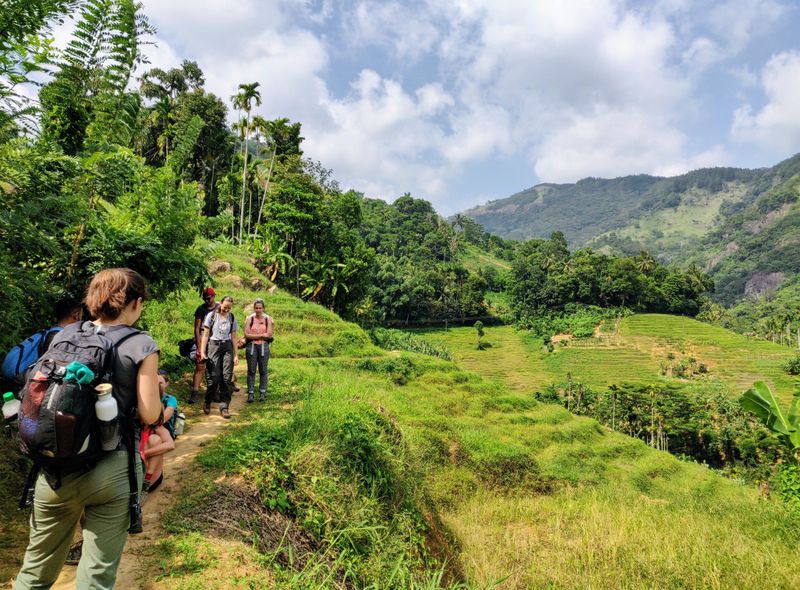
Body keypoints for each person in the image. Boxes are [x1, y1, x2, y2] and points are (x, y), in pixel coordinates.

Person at [14, 268, 162, 590]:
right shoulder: (141, 344)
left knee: (33, 573)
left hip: (55, 466)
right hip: (112, 469)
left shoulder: (64, 336)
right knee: (95, 579)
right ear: (135, 304)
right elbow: (150, 413)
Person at [198, 295, 238, 419]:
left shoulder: (231, 317)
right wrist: (202, 351)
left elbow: (234, 337)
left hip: (227, 347)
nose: (226, 310)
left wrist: (236, 354)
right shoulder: (211, 316)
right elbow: (205, 335)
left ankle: (224, 407)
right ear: (220, 303)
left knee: (226, 378)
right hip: (213, 345)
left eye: (229, 308)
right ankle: (208, 401)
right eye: (225, 307)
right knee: (214, 378)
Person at [141, 370, 178, 493]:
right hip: (153, 424)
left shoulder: (170, 399)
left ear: (167, 384)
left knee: (155, 439)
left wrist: (143, 453)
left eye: (161, 382)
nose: (158, 385)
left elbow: (164, 418)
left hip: (161, 428)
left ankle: (148, 478)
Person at [189, 287, 218, 404]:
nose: (207, 301)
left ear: (214, 296)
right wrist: (198, 345)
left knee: (214, 367)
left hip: (216, 339)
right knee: (200, 366)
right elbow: (197, 328)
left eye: (209, 298)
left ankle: (214, 392)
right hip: (202, 338)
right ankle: (195, 392)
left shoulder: (220, 307)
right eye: (205, 299)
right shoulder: (201, 309)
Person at [244, 298, 274, 403]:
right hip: (251, 347)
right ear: (254, 308)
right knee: (251, 370)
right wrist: (262, 335)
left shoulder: (268, 319)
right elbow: (246, 335)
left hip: (263, 347)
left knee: (263, 370)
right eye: (256, 308)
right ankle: (251, 393)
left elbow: (269, 334)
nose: (258, 310)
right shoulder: (249, 319)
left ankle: (262, 392)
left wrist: (254, 336)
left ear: (263, 308)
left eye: (260, 308)